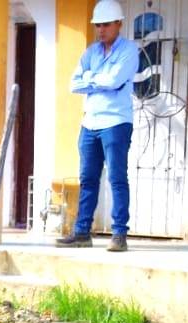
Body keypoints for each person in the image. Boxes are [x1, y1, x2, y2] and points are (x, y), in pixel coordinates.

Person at [56, 0, 139, 253]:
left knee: (116, 177)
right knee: (88, 179)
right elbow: (73, 84)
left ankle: (119, 234)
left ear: (118, 24)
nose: (101, 30)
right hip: (89, 122)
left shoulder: (129, 50)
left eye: (105, 25)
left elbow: (114, 81)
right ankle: (82, 232)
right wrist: (99, 80)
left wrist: (91, 79)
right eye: (98, 25)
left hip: (116, 122)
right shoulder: (91, 52)